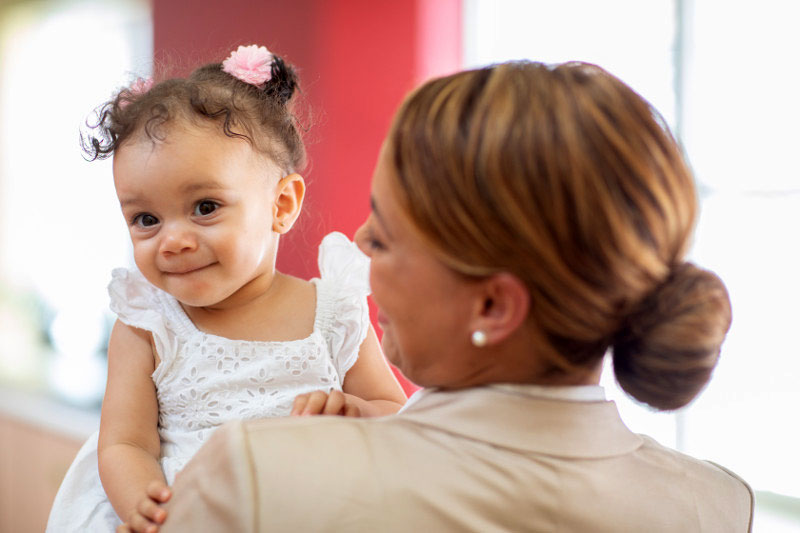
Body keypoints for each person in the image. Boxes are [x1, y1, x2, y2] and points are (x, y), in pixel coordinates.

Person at [149, 61, 752, 532]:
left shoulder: (257, 480)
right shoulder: (722, 508)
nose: (358, 242)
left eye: (384, 234)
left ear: (492, 307)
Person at [46, 44, 407, 533]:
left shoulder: (334, 314)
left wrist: (357, 411)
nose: (172, 240)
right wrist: (147, 508)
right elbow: (125, 444)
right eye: (146, 219)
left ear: (281, 204)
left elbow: (396, 415)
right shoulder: (148, 326)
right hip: (191, 512)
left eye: (205, 207)